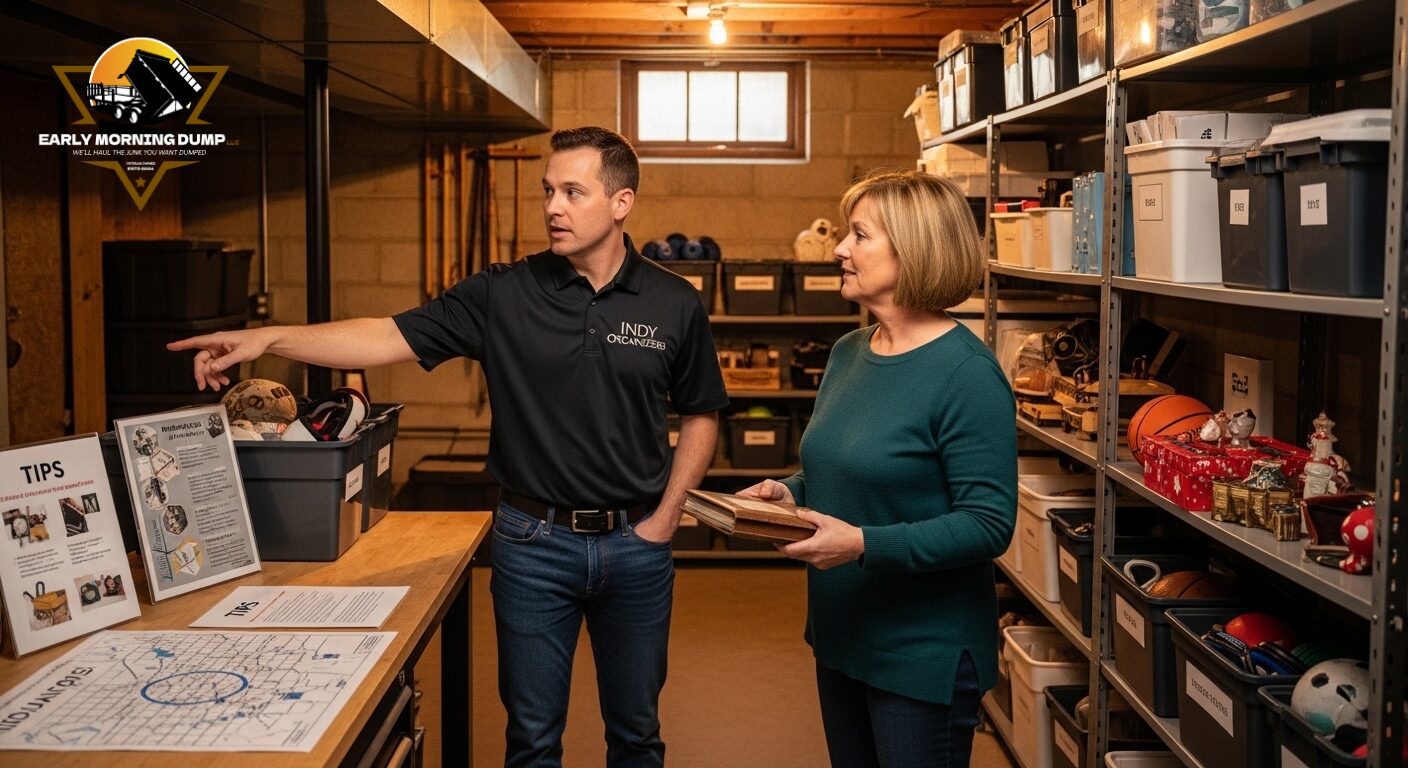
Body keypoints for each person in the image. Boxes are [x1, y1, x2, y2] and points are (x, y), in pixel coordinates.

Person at [168, 126, 728, 768]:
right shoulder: (502, 293)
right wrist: (269, 338)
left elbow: (702, 412)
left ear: (622, 201)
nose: (553, 206)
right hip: (533, 548)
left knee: (636, 737)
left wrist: (664, 522)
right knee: (533, 741)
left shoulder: (673, 302)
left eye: (574, 192)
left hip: (638, 547)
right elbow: (384, 336)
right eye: (548, 190)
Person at [740, 170, 1016, 768]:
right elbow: (849, 467)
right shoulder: (849, 353)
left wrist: (865, 543)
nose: (840, 249)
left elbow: (989, 523)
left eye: (859, 235)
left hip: (920, 654)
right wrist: (790, 493)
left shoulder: (966, 374)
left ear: (913, 249)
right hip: (843, 634)